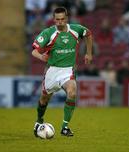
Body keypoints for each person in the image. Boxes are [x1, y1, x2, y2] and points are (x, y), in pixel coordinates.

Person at [32, 7, 93, 137]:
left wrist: (88, 53)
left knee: (72, 92)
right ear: (53, 20)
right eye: (57, 19)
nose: (60, 22)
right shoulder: (48, 33)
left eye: (62, 19)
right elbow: (34, 51)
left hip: (68, 71)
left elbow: (88, 34)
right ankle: (39, 121)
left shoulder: (76, 29)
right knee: (44, 100)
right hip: (52, 71)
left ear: (67, 19)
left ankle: (65, 127)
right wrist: (42, 57)